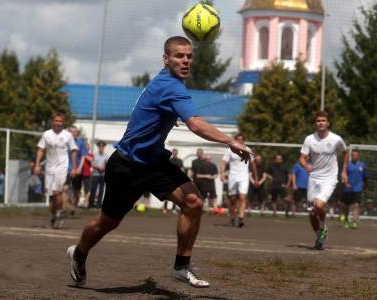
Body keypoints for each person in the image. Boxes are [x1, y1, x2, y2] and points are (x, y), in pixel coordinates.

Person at [66, 36, 252, 288]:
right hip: (127, 165)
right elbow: (195, 124)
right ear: (166, 59)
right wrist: (231, 141)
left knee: (193, 202)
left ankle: (181, 266)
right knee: (107, 222)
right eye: (179, 56)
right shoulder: (170, 86)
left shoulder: (172, 84)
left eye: (189, 56)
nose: (185, 60)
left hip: (154, 162)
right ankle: (78, 252)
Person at [299, 111, 348, 250]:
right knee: (311, 212)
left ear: (328, 123)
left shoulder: (336, 139)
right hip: (314, 178)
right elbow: (302, 158)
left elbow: (345, 153)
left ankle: (324, 226)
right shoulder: (309, 139)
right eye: (318, 121)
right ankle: (320, 236)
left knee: (319, 205)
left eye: (323, 120)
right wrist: (306, 165)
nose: (320, 123)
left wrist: (344, 171)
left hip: (329, 178)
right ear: (315, 123)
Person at [35, 113, 77, 229]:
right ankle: (54, 216)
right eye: (56, 121)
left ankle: (58, 216)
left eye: (60, 121)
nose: (58, 123)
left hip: (62, 168)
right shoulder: (46, 134)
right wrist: (37, 165)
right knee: (52, 195)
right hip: (49, 168)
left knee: (58, 193)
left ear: (63, 123)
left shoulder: (68, 135)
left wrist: (74, 167)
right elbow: (40, 149)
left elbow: (74, 150)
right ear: (52, 121)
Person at [220, 133, 256, 227]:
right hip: (232, 176)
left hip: (244, 176)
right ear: (235, 140)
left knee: (242, 197)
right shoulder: (230, 150)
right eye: (238, 139)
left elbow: (253, 164)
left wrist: (256, 178)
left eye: (242, 139)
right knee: (232, 199)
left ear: (244, 140)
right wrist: (222, 174)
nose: (240, 141)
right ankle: (232, 217)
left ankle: (241, 218)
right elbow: (223, 162)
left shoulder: (248, 149)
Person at [341, 150, 367, 229]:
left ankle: (355, 222)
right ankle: (346, 221)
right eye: (353, 155)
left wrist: (365, 186)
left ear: (358, 156)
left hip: (357, 188)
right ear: (351, 156)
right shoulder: (347, 165)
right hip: (348, 188)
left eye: (356, 155)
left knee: (356, 205)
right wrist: (346, 184)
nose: (354, 156)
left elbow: (365, 177)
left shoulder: (362, 165)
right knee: (346, 206)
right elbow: (343, 175)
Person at [68, 126, 88, 214]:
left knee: (76, 191)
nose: (74, 133)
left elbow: (83, 156)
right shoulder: (66, 142)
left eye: (75, 132)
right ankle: (67, 206)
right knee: (66, 189)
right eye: (72, 132)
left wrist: (79, 168)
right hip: (67, 169)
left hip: (78, 170)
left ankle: (74, 207)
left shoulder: (81, 143)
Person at [164, 148, 184, 214]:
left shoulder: (180, 161)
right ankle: (165, 208)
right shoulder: (168, 160)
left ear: (177, 153)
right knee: (167, 194)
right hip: (169, 179)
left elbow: (182, 169)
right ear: (172, 153)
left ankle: (173, 209)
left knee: (176, 194)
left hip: (176, 179)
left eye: (176, 153)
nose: (175, 154)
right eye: (174, 153)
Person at [88, 141, 108, 208]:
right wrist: (98, 167)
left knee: (101, 190)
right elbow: (92, 164)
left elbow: (107, 164)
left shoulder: (106, 155)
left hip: (103, 175)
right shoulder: (94, 155)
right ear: (98, 147)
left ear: (104, 147)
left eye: (102, 147)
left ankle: (99, 204)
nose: (101, 148)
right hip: (95, 174)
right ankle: (91, 204)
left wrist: (104, 167)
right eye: (100, 147)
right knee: (93, 189)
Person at [82, 142, 94, 207]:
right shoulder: (82, 154)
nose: (87, 147)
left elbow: (91, 159)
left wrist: (85, 155)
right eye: (86, 146)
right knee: (79, 189)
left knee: (87, 189)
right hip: (80, 173)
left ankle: (86, 202)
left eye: (88, 146)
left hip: (87, 174)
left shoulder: (90, 154)